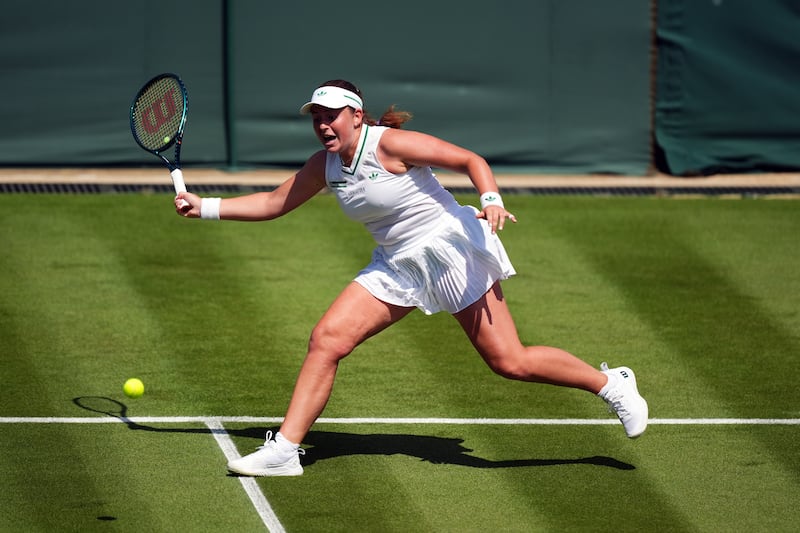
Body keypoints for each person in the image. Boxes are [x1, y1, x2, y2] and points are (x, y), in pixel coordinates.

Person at [175, 79, 648, 477]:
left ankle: (611, 386)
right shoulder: (326, 164)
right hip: (396, 262)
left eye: (331, 115)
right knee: (327, 339)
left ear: (356, 116)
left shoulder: (389, 144)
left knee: (510, 362)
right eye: (316, 116)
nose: (322, 125)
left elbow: (470, 160)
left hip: (449, 250)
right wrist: (206, 208)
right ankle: (285, 450)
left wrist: (491, 201)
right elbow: (275, 202)